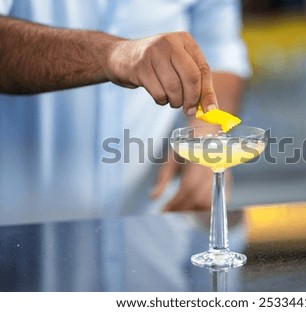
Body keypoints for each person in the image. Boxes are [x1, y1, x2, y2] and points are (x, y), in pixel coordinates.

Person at [0, 0, 251, 220]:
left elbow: (219, 49)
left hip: (154, 218)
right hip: (20, 225)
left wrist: (205, 133)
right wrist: (110, 54)